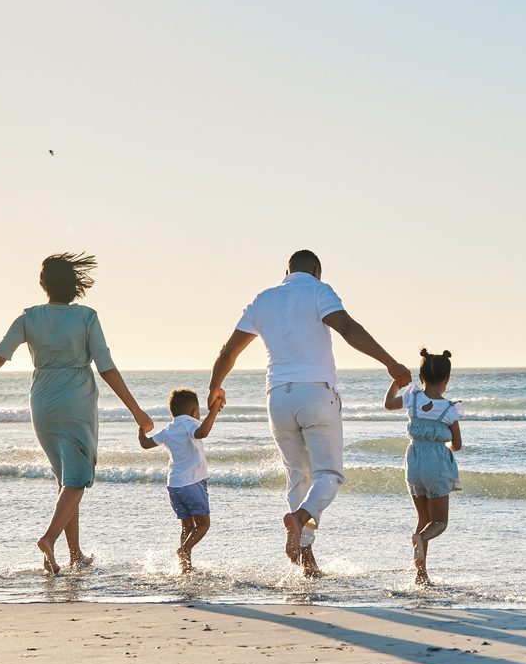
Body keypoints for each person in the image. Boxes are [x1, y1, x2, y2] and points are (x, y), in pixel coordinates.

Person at [209, 250, 412, 577]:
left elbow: (228, 351)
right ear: (317, 271)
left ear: (286, 270)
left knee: (298, 477)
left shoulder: (263, 299)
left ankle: (307, 559)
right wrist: (389, 362)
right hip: (315, 393)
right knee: (328, 476)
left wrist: (214, 387)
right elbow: (347, 328)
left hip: (277, 399)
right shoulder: (319, 290)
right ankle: (301, 519)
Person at [0, 253, 154, 574]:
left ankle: (75, 555)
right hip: (76, 401)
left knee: (66, 479)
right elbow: (107, 368)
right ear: (74, 285)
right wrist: (137, 410)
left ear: (43, 285)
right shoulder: (87, 317)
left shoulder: (28, 319)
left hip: (42, 402)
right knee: (78, 478)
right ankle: (49, 538)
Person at [385, 348, 463, 584]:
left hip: (414, 460)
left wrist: (395, 383)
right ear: (447, 379)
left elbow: (389, 404)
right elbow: (457, 445)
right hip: (437, 463)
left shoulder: (413, 397)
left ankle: (421, 575)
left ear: (421, 377)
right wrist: (443, 448)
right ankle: (420, 541)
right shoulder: (450, 408)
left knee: (423, 518)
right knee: (439, 522)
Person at [137, 387, 223, 573]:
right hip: (192, 483)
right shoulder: (190, 423)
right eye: (199, 411)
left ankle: (185, 565)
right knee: (203, 524)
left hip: (174, 486)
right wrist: (214, 410)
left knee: (187, 526)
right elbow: (202, 433)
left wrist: (141, 431)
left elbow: (145, 444)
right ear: (193, 411)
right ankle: (184, 550)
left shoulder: (169, 429)